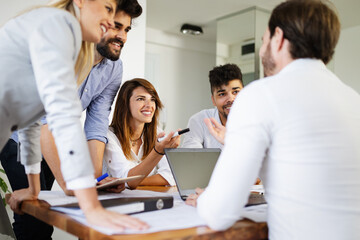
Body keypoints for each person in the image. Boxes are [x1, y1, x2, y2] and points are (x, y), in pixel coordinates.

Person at [186, 0, 360, 239]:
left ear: (277, 38)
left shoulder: (261, 94)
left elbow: (219, 212)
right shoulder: (354, 100)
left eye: (264, 40)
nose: (262, 49)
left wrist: (206, 198)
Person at [0, 0, 147, 234]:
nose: (123, 36)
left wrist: (97, 179)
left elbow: (96, 124)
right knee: (34, 220)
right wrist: (79, 191)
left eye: (126, 29)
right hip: (14, 134)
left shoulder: (111, 68)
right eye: (114, 23)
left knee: (43, 212)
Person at [103, 78, 178, 189]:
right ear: (125, 104)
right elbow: (126, 178)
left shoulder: (157, 133)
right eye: (141, 99)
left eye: (152, 99)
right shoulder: (108, 136)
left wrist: (137, 181)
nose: (149, 105)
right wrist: (158, 151)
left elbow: (171, 176)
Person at [181, 64, 243, 149]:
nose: (231, 99)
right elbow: (191, 158)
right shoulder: (199, 120)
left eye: (235, 92)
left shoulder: (258, 122)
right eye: (222, 94)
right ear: (213, 100)